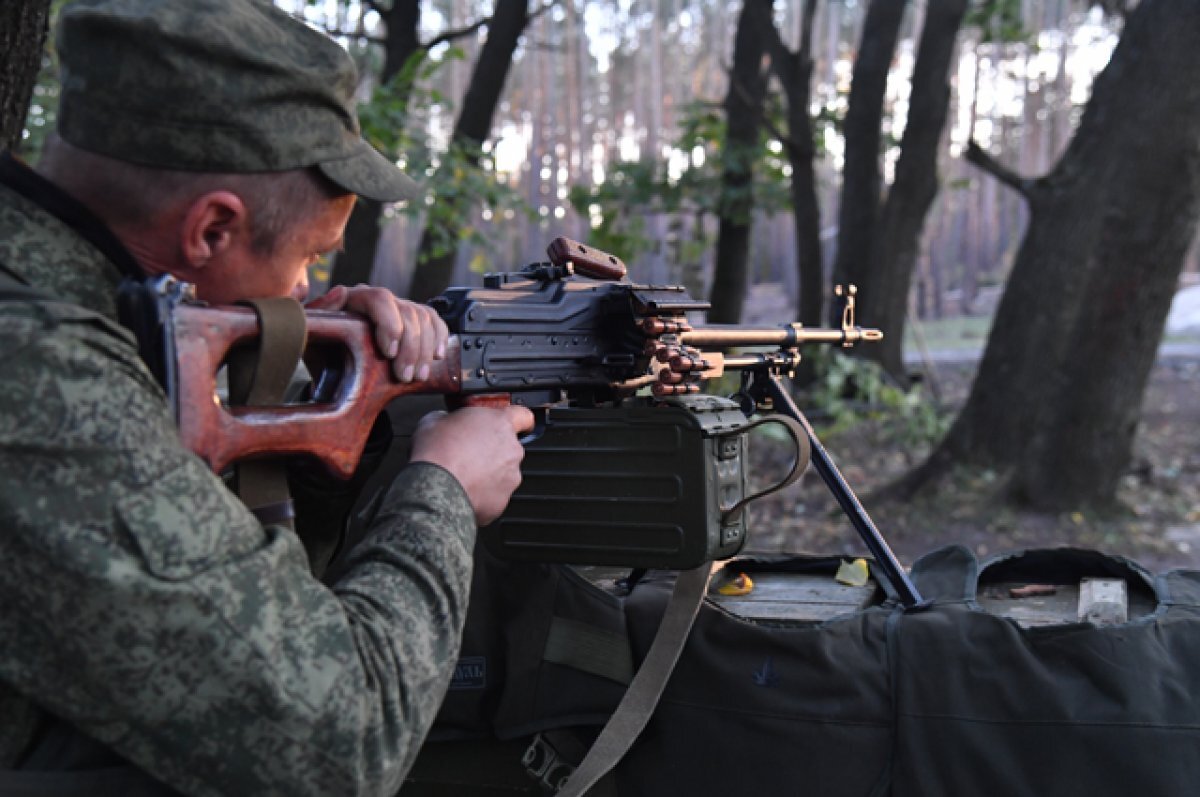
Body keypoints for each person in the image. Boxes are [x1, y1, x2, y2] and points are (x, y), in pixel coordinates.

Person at [0, 1, 533, 795]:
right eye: (309, 257)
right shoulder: (44, 384)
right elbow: (339, 744)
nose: (306, 289)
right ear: (211, 230)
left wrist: (319, 386)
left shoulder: (82, 312)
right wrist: (444, 491)